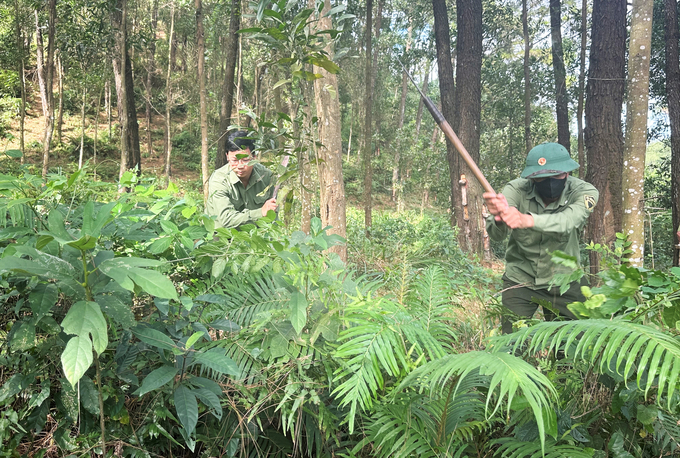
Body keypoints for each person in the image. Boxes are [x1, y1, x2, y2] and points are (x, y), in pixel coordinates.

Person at [483, 142, 599, 334]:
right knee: (510, 344)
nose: (550, 181)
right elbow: (496, 235)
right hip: (521, 278)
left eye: (556, 175)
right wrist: (500, 218)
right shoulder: (515, 190)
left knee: (570, 347)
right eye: (542, 177)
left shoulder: (585, 192)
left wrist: (525, 220)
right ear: (531, 177)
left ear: (567, 173)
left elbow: (569, 221)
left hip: (566, 280)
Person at [206, 131, 277, 229]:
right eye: (234, 160)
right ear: (227, 156)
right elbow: (226, 220)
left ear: (254, 157)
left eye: (245, 160)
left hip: (254, 235)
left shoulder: (266, 176)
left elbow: (273, 213)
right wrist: (260, 212)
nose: (240, 166)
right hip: (223, 237)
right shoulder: (219, 180)